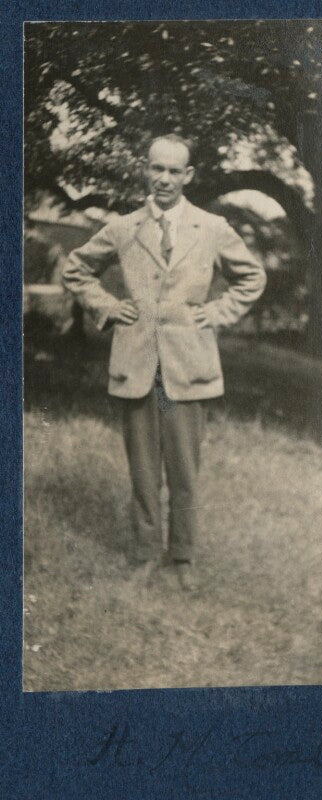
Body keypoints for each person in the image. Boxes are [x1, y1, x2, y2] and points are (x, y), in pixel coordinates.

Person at [62, 134, 266, 591]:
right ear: (146, 170)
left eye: (175, 171)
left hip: (187, 369)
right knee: (143, 471)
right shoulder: (124, 227)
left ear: (188, 175)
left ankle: (183, 557)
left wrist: (216, 312)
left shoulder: (211, 227)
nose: (165, 179)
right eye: (157, 168)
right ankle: (144, 554)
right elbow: (76, 268)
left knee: (184, 471)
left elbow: (252, 277)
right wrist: (107, 306)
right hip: (138, 367)